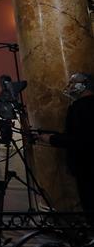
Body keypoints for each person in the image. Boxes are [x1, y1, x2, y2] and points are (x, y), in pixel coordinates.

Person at [45, 73, 94, 214]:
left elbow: (78, 139)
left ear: (83, 84)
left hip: (86, 164)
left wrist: (51, 139)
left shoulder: (78, 107)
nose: (69, 86)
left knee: (89, 203)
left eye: (73, 83)